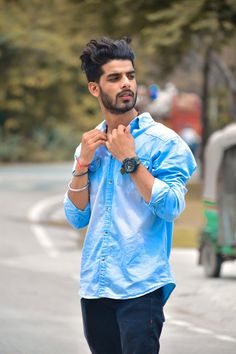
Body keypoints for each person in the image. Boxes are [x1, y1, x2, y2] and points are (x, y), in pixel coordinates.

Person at [64, 37, 197, 354]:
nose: (126, 84)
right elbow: (76, 216)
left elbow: (171, 206)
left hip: (141, 288)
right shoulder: (90, 145)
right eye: (114, 77)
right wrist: (82, 163)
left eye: (130, 75)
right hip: (95, 287)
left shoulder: (166, 143)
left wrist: (130, 160)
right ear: (94, 88)